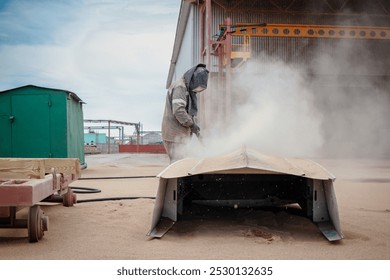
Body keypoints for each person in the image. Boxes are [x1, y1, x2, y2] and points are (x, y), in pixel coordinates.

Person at [161, 63, 209, 163]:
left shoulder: (187, 88)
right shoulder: (180, 87)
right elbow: (179, 111)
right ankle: (173, 179)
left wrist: (195, 127)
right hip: (174, 135)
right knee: (178, 164)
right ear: (192, 79)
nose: (196, 91)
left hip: (180, 135)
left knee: (181, 163)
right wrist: (191, 124)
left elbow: (189, 112)